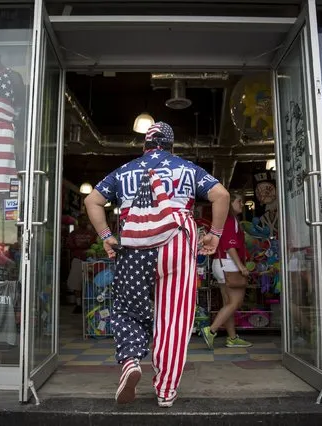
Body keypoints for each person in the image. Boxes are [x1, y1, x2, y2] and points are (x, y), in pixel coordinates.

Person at [84, 122, 230, 408]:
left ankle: (130, 362)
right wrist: (214, 234)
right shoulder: (187, 168)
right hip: (176, 242)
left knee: (127, 308)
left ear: (144, 146)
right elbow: (221, 195)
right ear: (171, 146)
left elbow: (92, 200)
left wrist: (106, 237)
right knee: (174, 319)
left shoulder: (125, 170)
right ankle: (165, 390)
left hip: (135, 245)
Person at [202, 191, 253, 349]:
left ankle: (232, 337)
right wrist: (241, 266)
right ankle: (211, 330)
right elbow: (230, 246)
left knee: (228, 303)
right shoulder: (231, 220)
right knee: (235, 302)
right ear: (230, 203)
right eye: (239, 201)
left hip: (220, 263)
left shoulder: (225, 220)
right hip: (229, 263)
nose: (241, 204)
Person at [65, 214, 97, 314]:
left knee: (90, 283)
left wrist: (81, 246)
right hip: (78, 259)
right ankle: (79, 304)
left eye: (85, 220)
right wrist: (83, 246)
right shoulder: (74, 233)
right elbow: (69, 245)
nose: (83, 222)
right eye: (81, 220)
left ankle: (89, 303)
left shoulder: (92, 233)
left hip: (90, 260)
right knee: (76, 283)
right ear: (78, 221)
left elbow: (95, 244)